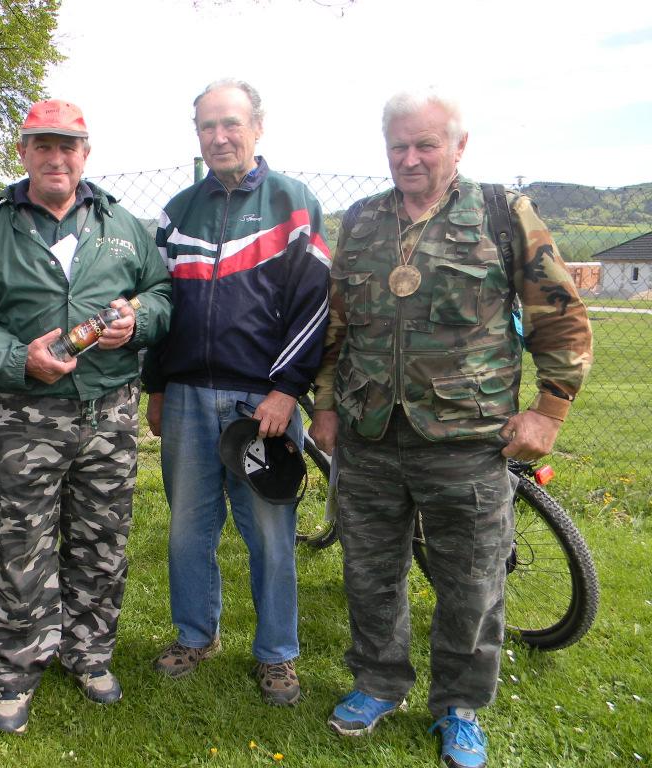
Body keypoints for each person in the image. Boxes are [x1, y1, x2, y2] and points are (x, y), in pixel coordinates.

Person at [309, 89, 593, 768]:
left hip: (467, 439)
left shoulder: (502, 212)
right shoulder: (364, 221)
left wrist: (549, 411)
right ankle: (378, 684)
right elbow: (337, 324)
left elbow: (559, 313)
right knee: (370, 570)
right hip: (370, 433)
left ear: (458, 147)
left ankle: (459, 707)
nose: (410, 158)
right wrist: (324, 403)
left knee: (472, 582)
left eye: (425, 144)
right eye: (399, 146)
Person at [0, 99, 172, 734]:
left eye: (68, 146)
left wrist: (139, 321)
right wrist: (19, 359)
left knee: (102, 543)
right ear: (23, 152)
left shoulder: (122, 225)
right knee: (22, 544)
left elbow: (161, 293)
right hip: (26, 417)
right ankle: (17, 669)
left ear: (85, 154)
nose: (56, 157)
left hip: (110, 415)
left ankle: (89, 653)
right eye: (43, 145)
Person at [142, 79, 331, 706]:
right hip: (189, 399)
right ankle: (196, 634)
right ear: (196, 133)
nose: (218, 137)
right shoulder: (177, 211)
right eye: (206, 127)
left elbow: (317, 306)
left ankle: (277, 654)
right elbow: (161, 305)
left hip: (263, 407)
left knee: (270, 532)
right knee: (188, 529)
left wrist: (286, 391)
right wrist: (157, 386)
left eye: (230, 124)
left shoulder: (294, 203)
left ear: (258, 126)